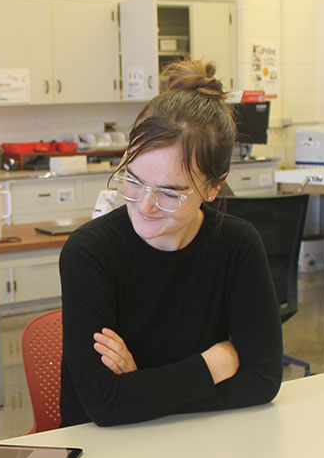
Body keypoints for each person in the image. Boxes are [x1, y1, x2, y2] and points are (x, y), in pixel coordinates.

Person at [59, 60, 283, 427]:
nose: (145, 204)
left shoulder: (237, 246)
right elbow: (102, 404)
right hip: (109, 452)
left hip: (200, 446)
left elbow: (262, 380)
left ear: (213, 187)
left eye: (170, 192)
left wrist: (140, 388)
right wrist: (213, 365)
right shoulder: (90, 253)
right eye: (132, 179)